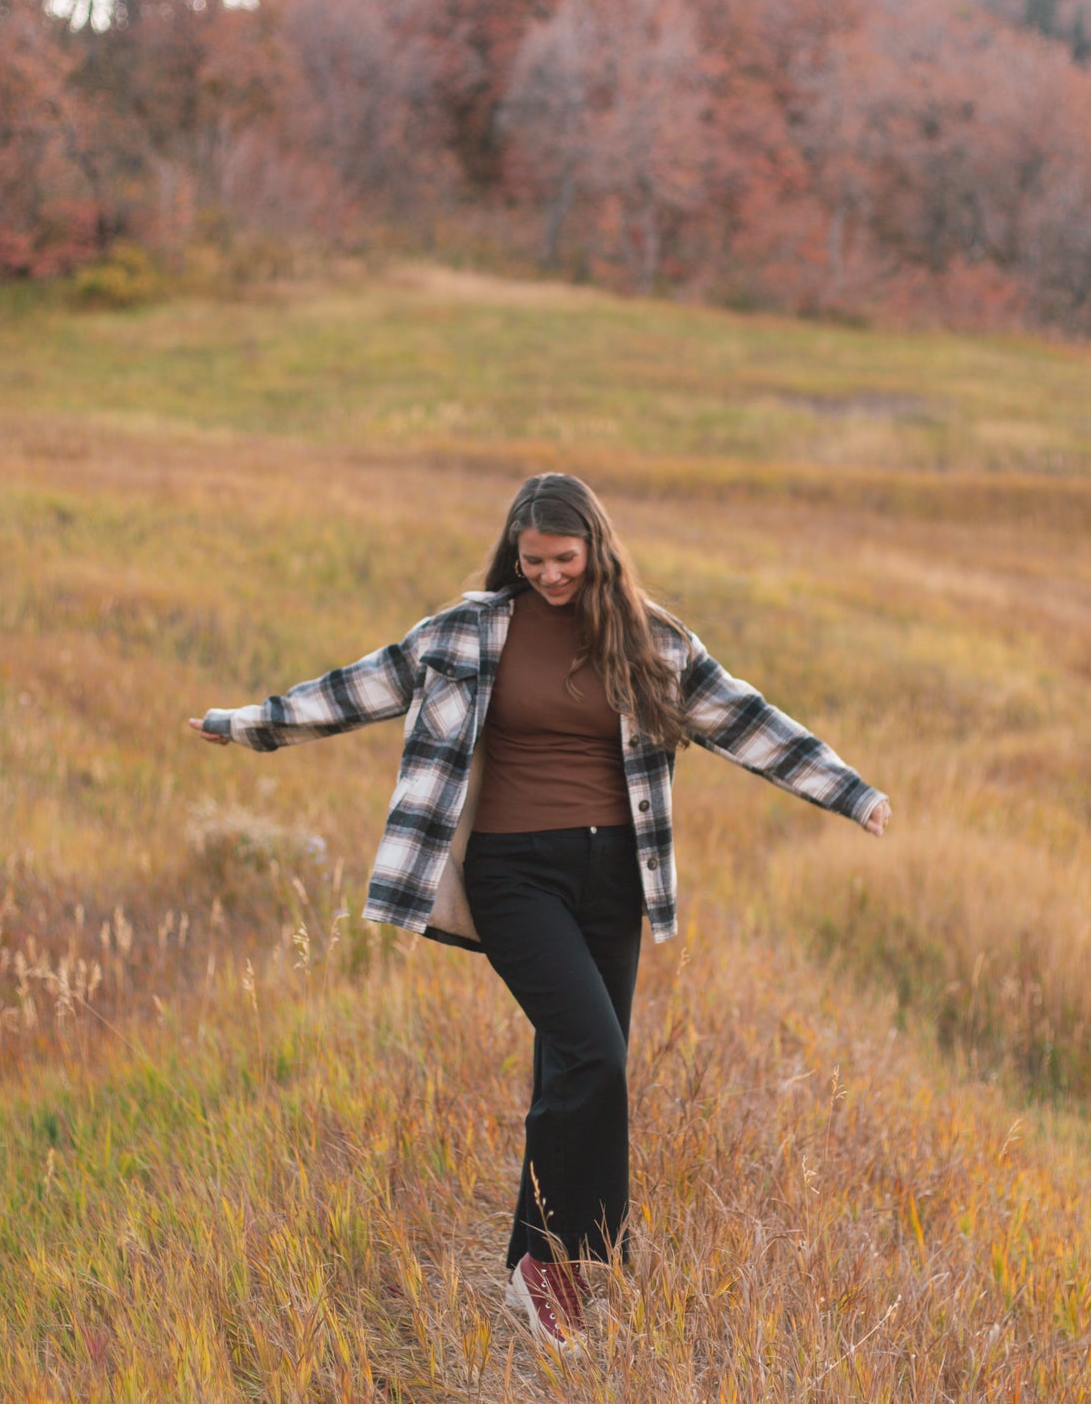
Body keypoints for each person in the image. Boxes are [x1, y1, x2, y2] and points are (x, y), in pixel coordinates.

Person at [190, 473, 890, 1353]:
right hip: (514, 874)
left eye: (564, 559)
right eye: (534, 561)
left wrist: (850, 794)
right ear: (512, 556)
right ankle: (551, 1264)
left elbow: (748, 724)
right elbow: (355, 688)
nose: (550, 575)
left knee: (581, 1068)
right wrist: (249, 723)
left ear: (597, 549)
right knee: (592, 1055)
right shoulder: (465, 631)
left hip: (615, 881)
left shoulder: (652, 642)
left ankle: (550, 1264)